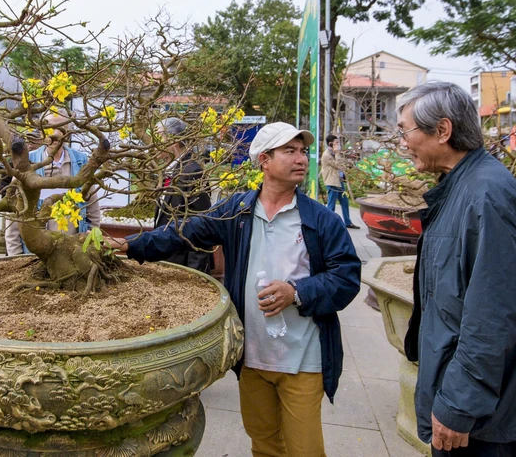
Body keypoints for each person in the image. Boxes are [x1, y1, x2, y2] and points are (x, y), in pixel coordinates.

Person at [106, 122, 361, 457]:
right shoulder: (237, 211)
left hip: (303, 359)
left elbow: (347, 277)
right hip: (253, 356)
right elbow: (184, 232)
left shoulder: (321, 219)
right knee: (264, 443)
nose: (301, 159)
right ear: (264, 160)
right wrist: (129, 245)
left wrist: (296, 291)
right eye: (290, 151)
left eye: (303, 151)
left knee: (305, 449)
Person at [397, 82, 516, 457]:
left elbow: (492, 315)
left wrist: (459, 404)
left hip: (482, 417)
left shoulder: (485, 194)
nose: (403, 142)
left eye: (406, 131)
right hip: (469, 400)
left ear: (442, 130)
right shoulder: (462, 186)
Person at [4, 114, 102, 256]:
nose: (55, 133)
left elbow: (92, 208)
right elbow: (13, 214)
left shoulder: (81, 161)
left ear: (67, 132)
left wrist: (91, 243)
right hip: (37, 251)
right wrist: (15, 256)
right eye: (50, 127)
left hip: (74, 251)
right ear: (42, 130)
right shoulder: (28, 163)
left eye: (60, 128)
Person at [153, 117, 213, 273]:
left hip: (185, 266)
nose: (153, 141)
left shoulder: (192, 172)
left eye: (158, 136)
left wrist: (195, 273)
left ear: (173, 140)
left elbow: (202, 227)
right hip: (169, 260)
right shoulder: (168, 170)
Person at [320, 135, 359, 229]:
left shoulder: (335, 153)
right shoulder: (326, 155)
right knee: (331, 204)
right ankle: (328, 224)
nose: (338, 145)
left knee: (345, 201)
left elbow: (342, 164)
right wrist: (338, 154)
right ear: (330, 144)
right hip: (332, 182)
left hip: (339, 181)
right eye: (336, 143)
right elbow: (337, 165)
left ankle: (348, 222)